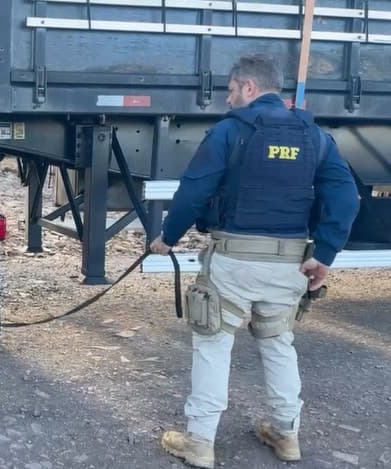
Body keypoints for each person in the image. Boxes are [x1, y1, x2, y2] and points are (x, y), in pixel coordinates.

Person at [149, 54, 360, 468]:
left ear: (248, 88)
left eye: (229, 92)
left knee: (212, 344)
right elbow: (345, 198)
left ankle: (200, 442)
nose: (228, 101)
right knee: (278, 343)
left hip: (234, 261)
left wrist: (168, 238)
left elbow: (193, 191)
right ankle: (287, 435)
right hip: (290, 265)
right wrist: (325, 255)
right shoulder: (314, 136)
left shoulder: (231, 131)